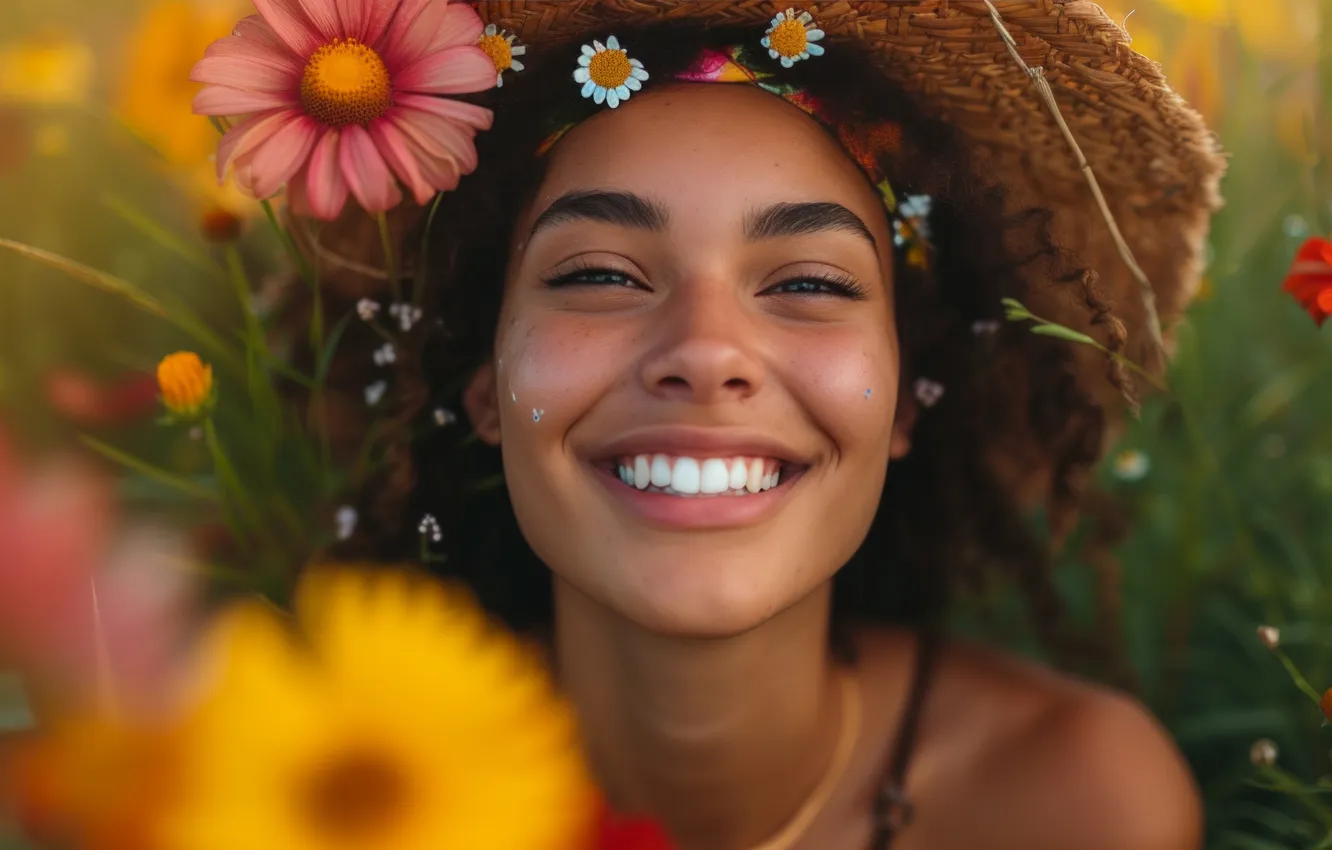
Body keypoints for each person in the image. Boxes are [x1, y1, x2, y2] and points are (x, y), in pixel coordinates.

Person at [310, 4, 1226, 848]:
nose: (707, 352)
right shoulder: (327, 794)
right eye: (600, 275)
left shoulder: (1079, 807)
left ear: (907, 399)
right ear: (486, 390)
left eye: (809, 285)